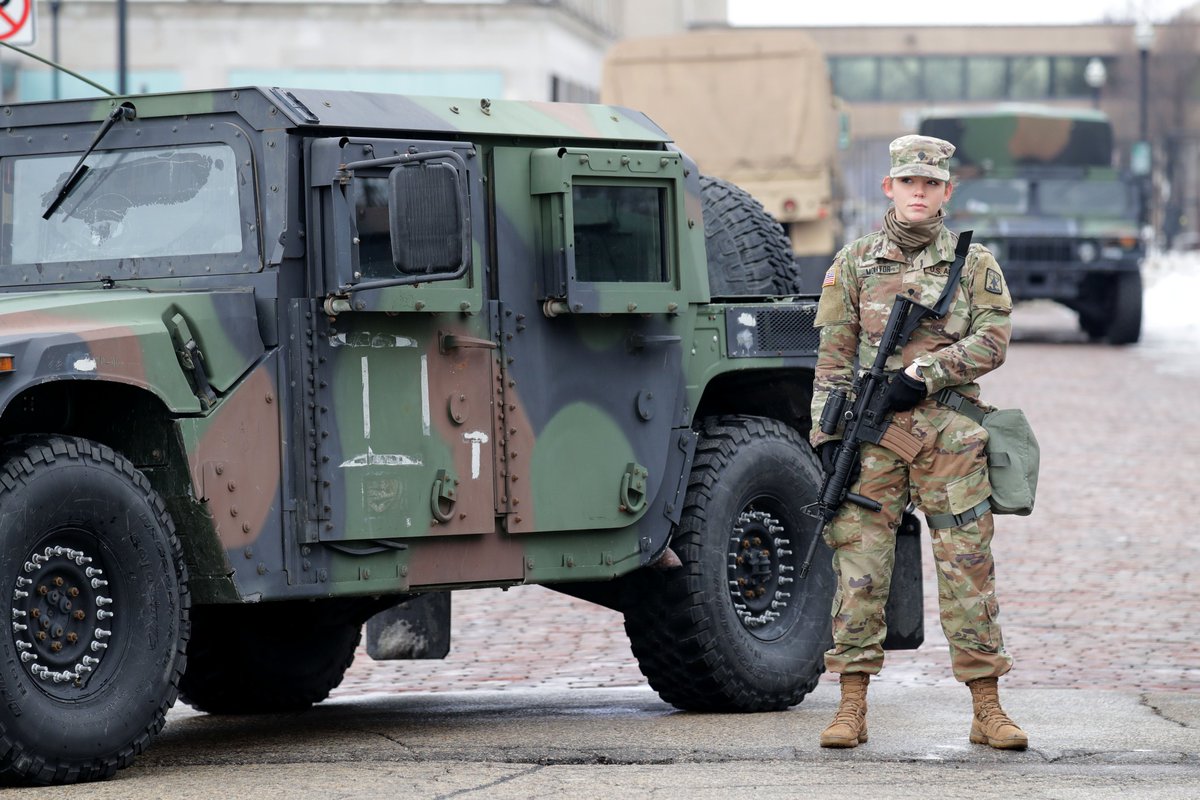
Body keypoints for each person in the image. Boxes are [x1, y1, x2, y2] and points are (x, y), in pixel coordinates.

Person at [809, 134, 1027, 751]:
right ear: (890, 188)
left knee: (967, 569)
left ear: (947, 192)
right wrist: (825, 434)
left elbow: (994, 340)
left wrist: (923, 375)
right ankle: (851, 706)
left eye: (931, 184)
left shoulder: (974, 263)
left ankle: (988, 708)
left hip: (950, 441)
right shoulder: (853, 262)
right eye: (909, 182)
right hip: (871, 440)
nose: (919, 193)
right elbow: (832, 356)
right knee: (860, 570)